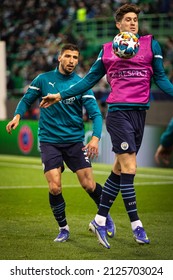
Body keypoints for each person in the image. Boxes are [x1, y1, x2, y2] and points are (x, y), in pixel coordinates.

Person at [39, 3, 173, 249]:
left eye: (135, 19)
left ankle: (99, 219)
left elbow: (161, 79)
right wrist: (60, 95)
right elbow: (89, 80)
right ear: (118, 24)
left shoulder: (151, 45)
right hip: (118, 113)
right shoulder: (107, 50)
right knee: (131, 167)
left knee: (120, 171)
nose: (133, 23)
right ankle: (136, 224)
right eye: (128, 19)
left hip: (140, 114)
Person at [6, 43, 115, 243]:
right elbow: (26, 99)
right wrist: (17, 116)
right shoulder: (43, 79)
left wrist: (94, 138)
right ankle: (63, 228)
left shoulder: (82, 84)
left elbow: (96, 116)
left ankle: (104, 215)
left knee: (89, 185)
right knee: (55, 187)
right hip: (49, 141)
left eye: (75, 57)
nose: (72, 61)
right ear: (59, 58)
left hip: (74, 141)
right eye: (68, 56)